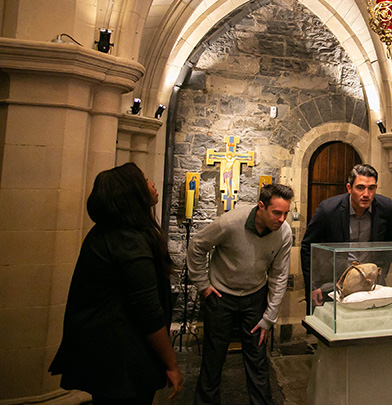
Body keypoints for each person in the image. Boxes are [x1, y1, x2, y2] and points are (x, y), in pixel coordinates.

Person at [49, 163, 183, 404]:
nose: (152, 184)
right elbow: (148, 311)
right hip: (122, 358)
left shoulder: (108, 233)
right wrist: (171, 363)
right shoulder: (129, 242)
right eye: (144, 181)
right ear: (132, 194)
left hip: (111, 354)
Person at [188, 183, 294, 405]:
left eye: (286, 213)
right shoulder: (230, 222)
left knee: (257, 359)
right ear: (261, 206)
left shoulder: (284, 233)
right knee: (213, 358)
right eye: (277, 213)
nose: (282, 219)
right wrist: (203, 285)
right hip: (220, 295)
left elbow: (279, 276)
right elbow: (197, 246)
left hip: (254, 296)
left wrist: (269, 318)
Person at [301, 163, 392, 310]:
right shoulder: (328, 210)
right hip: (334, 282)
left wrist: (381, 275)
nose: (366, 194)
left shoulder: (386, 207)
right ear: (349, 188)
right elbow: (307, 247)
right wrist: (312, 286)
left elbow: (390, 243)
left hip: (370, 284)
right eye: (360, 188)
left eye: (371, 188)